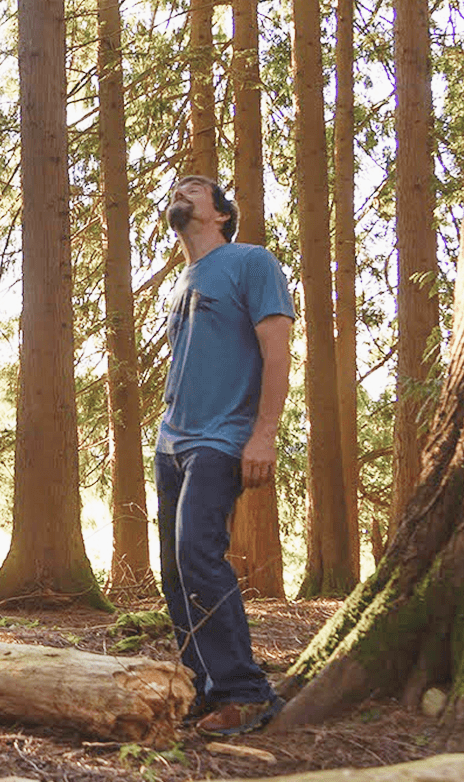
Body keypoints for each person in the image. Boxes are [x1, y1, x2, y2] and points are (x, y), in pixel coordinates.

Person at [156, 175, 293, 737]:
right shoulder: (179, 282)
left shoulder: (251, 262)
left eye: (191, 189)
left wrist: (264, 433)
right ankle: (203, 689)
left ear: (220, 213)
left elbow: (277, 342)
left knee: (198, 553)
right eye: (173, 190)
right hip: (171, 441)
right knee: (173, 569)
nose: (178, 195)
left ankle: (245, 690)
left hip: (222, 437)